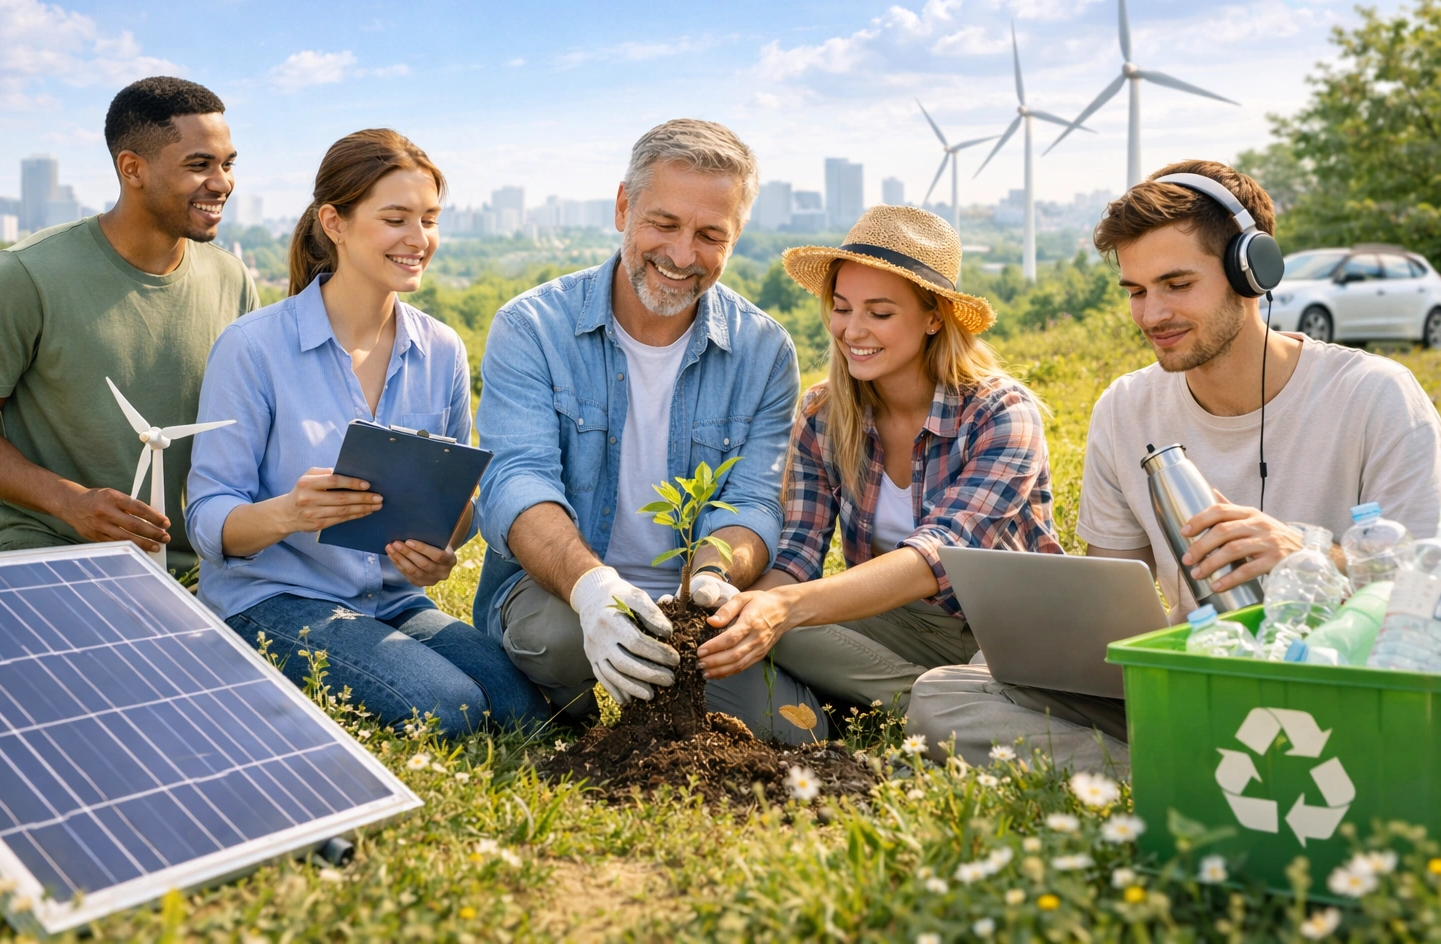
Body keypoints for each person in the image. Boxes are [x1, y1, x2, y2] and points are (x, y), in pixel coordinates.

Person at [908, 160, 1441, 775]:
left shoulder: (1375, 394)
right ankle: (1199, 773)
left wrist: (1310, 555)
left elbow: (1425, 591)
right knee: (945, 695)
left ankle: (1181, 774)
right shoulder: (1124, 408)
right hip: (1195, 683)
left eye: (1177, 284)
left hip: (1341, 691)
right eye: (1136, 291)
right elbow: (1111, 607)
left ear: (1252, 272)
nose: (1151, 314)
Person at [184, 129, 547, 736]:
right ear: (335, 223)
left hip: (393, 600)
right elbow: (207, 518)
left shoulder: (442, 350)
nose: (419, 239)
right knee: (450, 707)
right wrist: (290, 512)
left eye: (429, 219)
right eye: (396, 219)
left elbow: (458, 505)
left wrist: (439, 553)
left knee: (526, 707)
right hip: (272, 599)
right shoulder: (253, 347)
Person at [472, 118, 818, 742]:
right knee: (556, 641)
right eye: (664, 224)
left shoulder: (765, 351)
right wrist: (593, 588)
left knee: (795, 729)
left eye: (710, 235)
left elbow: (755, 501)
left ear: (735, 237)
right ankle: (577, 703)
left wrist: (713, 574)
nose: (682, 256)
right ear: (623, 207)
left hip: (689, 613)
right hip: (562, 594)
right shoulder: (532, 328)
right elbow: (516, 483)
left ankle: (645, 697)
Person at [695, 206, 1061, 716]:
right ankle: (941, 703)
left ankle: (932, 703)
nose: (852, 330)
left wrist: (785, 607)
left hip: (1003, 630)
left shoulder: (999, 413)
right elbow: (798, 554)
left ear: (934, 317)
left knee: (784, 618)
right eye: (842, 308)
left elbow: (940, 553)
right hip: (898, 622)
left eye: (880, 313)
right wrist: (737, 606)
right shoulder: (823, 416)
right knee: (755, 623)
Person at [0, 77, 257, 575]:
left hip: (196, 568)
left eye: (227, 164)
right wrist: (72, 503)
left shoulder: (232, 279)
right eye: (199, 165)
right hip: (48, 553)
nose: (222, 183)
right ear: (133, 168)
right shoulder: (25, 276)